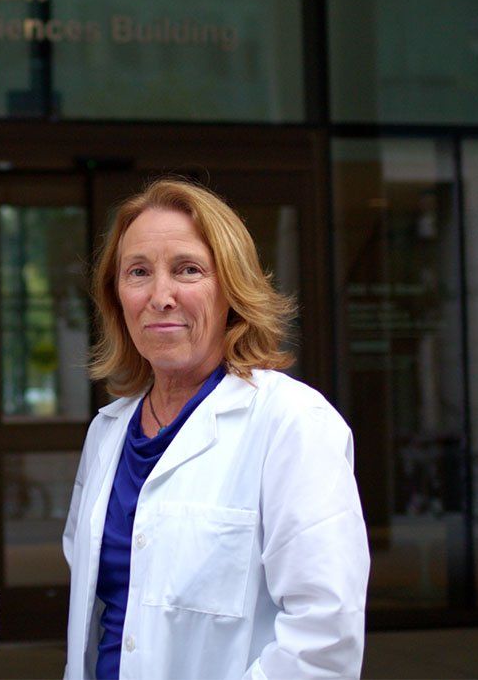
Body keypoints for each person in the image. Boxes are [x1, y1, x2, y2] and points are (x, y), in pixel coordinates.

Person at [63, 179, 369, 679]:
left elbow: (324, 639)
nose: (161, 296)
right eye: (138, 272)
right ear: (116, 297)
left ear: (231, 286)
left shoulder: (292, 423)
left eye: (187, 270)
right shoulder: (108, 432)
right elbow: (101, 611)